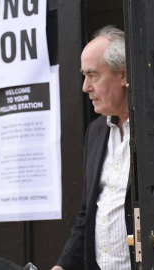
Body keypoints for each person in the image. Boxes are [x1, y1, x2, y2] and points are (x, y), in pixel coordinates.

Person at [51, 26, 133, 270]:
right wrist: (62, 266)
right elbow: (89, 212)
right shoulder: (96, 132)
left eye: (93, 75)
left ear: (123, 75)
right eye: (83, 76)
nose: (85, 87)